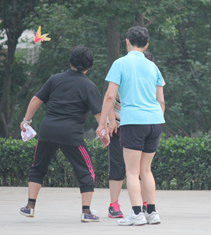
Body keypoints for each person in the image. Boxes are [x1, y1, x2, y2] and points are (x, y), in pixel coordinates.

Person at [19, 46, 109, 222]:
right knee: (86, 170)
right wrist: (104, 132)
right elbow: (99, 114)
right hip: (71, 133)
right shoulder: (89, 85)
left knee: (38, 167)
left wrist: (27, 121)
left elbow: (37, 99)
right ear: (89, 67)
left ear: (70, 63)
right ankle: (86, 211)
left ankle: (30, 206)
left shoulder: (55, 79)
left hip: (48, 130)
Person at [96, 26, 165, 226]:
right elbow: (161, 101)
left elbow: (110, 95)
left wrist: (103, 123)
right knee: (147, 170)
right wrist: (156, 120)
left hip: (133, 121)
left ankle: (136, 214)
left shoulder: (120, 64)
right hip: (155, 121)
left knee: (132, 172)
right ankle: (152, 212)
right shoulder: (154, 67)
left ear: (127, 41)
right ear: (147, 45)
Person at [107, 50, 162, 219]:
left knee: (135, 171)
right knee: (127, 167)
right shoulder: (130, 73)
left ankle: (140, 210)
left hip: (134, 123)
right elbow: (110, 97)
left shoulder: (139, 71)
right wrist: (110, 121)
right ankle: (117, 204)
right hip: (123, 123)